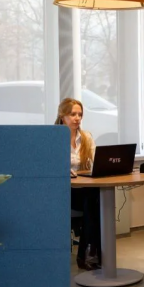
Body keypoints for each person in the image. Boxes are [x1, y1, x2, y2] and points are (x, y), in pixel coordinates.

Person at [56, 97, 101, 270]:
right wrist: (61, 170)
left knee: (95, 197)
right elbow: (44, 165)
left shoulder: (86, 137)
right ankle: (89, 254)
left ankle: (87, 254)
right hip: (63, 192)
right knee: (94, 201)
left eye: (80, 114)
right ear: (62, 116)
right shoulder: (53, 138)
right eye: (73, 114)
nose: (77, 118)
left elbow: (97, 161)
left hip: (83, 190)